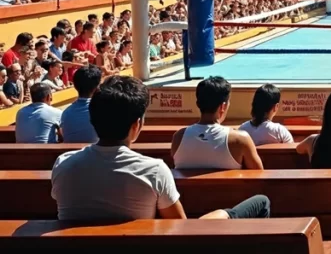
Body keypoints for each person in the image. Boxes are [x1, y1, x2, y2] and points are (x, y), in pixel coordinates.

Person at [51, 76, 271, 221]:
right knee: (258, 203)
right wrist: (223, 214)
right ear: (137, 124)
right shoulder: (154, 170)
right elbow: (182, 229)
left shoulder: (63, 164)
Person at [171, 76, 263, 170]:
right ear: (223, 106)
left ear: (198, 103)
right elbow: (259, 177)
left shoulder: (178, 137)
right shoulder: (240, 140)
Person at [60, 64, 102, 143]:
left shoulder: (66, 113)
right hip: (96, 154)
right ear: (98, 87)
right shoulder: (104, 109)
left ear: (75, 87)